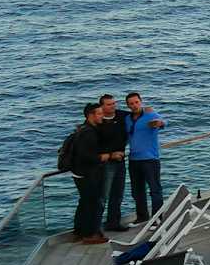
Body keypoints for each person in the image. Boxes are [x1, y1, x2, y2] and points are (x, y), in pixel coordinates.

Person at [61, 102, 109, 243]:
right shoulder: (89, 133)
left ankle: (79, 231)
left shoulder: (82, 129)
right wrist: (102, 157)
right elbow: (86, 156)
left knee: (84, 202)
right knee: (92, 203)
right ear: (90, 116)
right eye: (99, 114)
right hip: (88, 174)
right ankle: (90, 234)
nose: (102, 116)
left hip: (79, 173)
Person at [123, 91, 166, 224]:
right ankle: (142, 216)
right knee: (137, 191)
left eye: (136, 102)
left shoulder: (150, 114)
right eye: (131, 103)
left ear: (140, 101)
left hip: (150, 159)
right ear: (128, 105)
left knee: (155, 190)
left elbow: (163, 122)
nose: (134, 105)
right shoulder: (127, 119)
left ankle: (157, 219)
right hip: (134, 159)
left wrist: (158, 123)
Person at [96, 92, 130, 233]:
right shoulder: (98, 122)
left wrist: (150, 111)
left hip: (120, 160)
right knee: (103, 196)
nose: (113, 107)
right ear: (102, 107)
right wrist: (110, 155)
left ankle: (113, 222)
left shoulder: (122, 115)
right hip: (105, 163)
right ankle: (96, 228)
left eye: (114, 103)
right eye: (109, 104)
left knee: (117, 194)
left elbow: (137, 113)